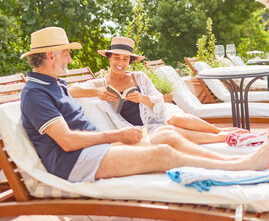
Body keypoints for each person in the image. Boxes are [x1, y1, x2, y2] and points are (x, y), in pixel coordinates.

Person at [20, 26, 269, 183]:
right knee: (162, 154)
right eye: (66, 51)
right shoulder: (35, 94)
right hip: (75, 162)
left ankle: (235, 161)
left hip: (95, 148)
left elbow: (77, 91)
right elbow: (66, 141)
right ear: (51, 55)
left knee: (168, 135)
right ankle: (241, 168)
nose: (70, 56)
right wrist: (117, 134)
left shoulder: (55, 84)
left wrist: (101, 101)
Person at [68, 36, 247, 144]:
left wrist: (142, 98)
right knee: (171, 131)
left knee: (176, 118)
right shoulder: (101, 83)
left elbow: (158, 98)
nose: (120, 63)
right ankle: (222, 137)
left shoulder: (139, 77)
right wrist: (96, 93)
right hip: (142, 126)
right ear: (109, 58)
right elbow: (72, 89)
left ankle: (218, 131)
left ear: (129, 61)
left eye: (125, 59)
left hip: (159, 111)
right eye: (117, 58)